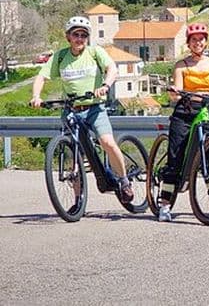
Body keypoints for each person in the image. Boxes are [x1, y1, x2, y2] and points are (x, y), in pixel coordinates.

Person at [30, 16, 133, 203]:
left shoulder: (95, 52)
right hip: (71, 109)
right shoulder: (60, 57)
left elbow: (112, 68)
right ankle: (78, 200)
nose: (80, 39)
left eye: (84, 35)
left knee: (107, 143)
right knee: (73, 153)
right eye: (75, 34)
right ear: (68, 37)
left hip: (94, 107)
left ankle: (124, 181)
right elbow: (41, 77)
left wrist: (106, 85)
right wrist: (36, 96)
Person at [156, 23, 209, 222]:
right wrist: (173, 91)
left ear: (206, 41)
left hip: (205, 111)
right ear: (188, 43)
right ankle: (164, 206)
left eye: (201, 39)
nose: (198, 43)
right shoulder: (181, 65)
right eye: (194, 40)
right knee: (176, 157)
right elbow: (178, 89)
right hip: (185, 112)